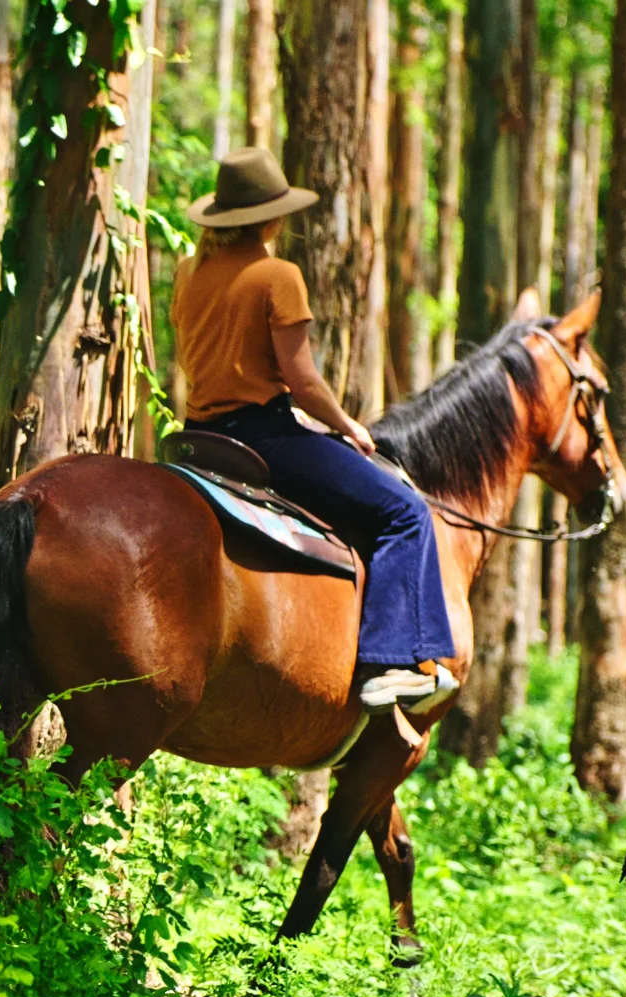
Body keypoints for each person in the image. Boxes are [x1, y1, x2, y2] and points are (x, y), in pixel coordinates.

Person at [173, 146, 458, 715]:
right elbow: (301, 380)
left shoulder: (190, 270)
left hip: (200, 432)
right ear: (271, 218)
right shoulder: (278, 275)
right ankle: (391, 664)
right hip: (263, 436)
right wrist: (348, 424)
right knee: (404, 513)